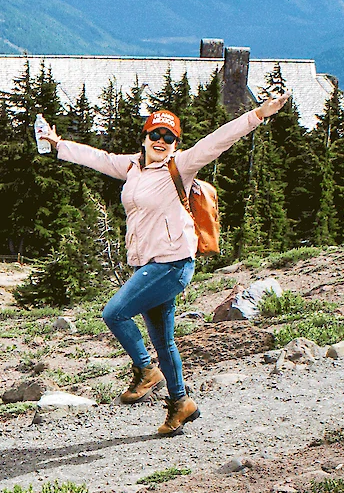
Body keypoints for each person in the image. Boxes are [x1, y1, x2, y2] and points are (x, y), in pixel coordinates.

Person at [40, 93, 290, 435]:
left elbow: (218, 140)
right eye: (155, 134)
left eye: (168, 137)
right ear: (144, 138)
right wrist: (58, 145)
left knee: (114, 312)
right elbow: (97, 158)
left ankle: (146, 371)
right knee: (165, 342)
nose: (161, 141)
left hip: (172, 264)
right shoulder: (131, 167)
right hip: (148, 264)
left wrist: (259, 114)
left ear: (176, 143)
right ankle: (181, 403)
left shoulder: (181, 166)